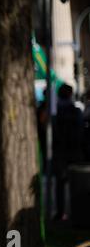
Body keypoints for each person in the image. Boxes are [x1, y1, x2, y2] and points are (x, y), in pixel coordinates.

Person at [52, 84, 83, 221]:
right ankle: (76, 212)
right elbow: (80, 132)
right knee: (76, 184)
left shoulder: (56, 112)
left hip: (60, 152)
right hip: (73, 152)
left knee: (60, 184)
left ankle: (61, 212)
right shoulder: (75, 111)